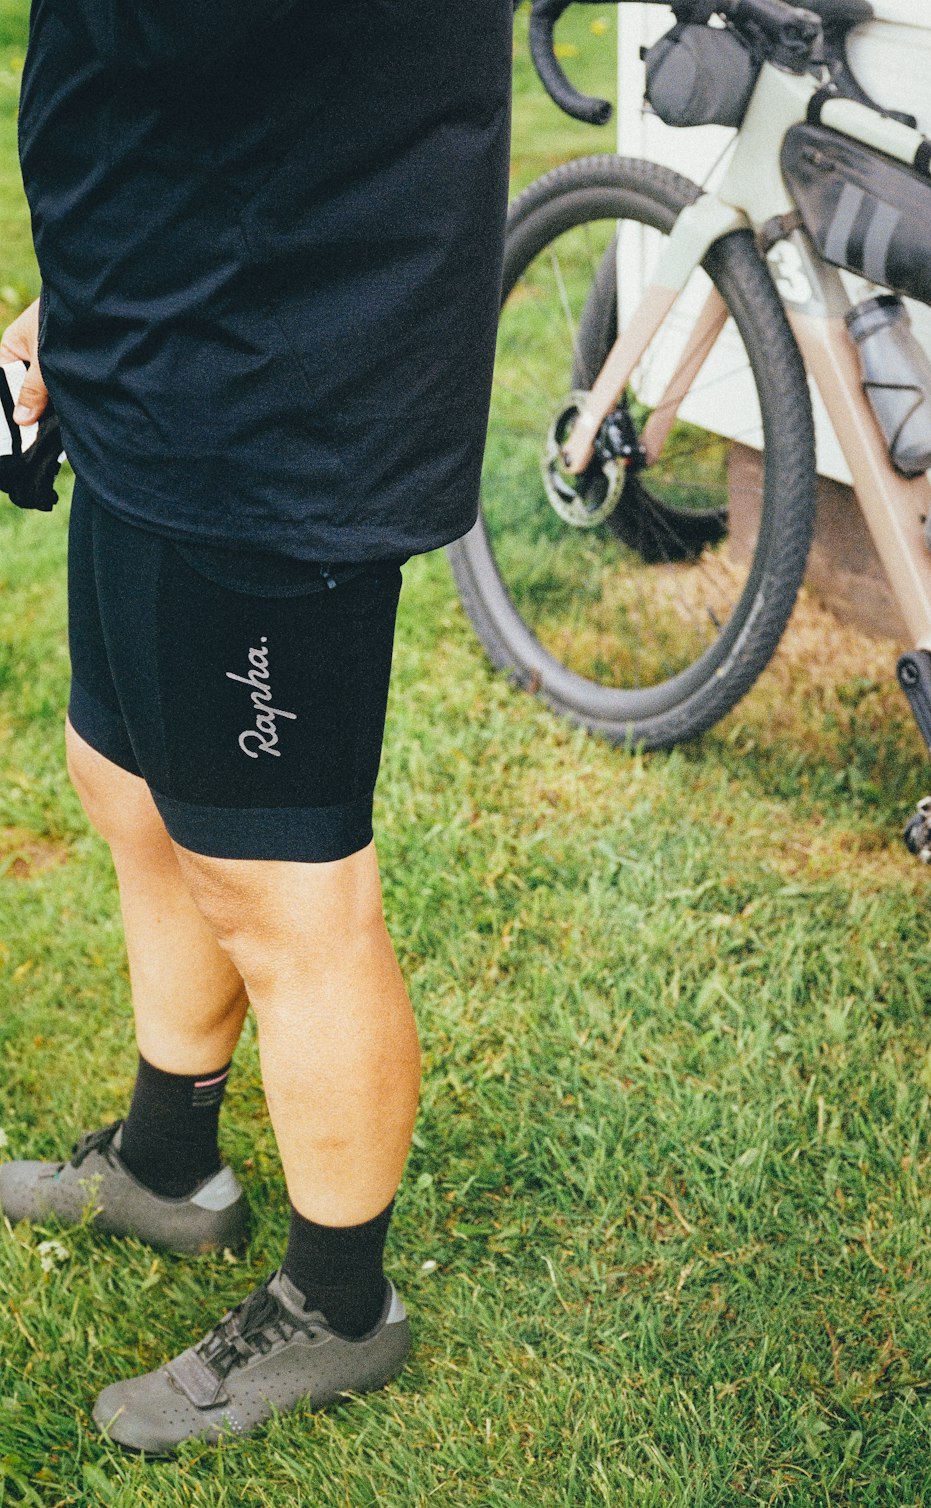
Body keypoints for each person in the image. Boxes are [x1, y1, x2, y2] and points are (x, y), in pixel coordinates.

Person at [0, 0, 511, 1455]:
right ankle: (170, 1165)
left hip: (282, 399)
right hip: (168, 351)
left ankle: (340, 1304)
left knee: (286, 890)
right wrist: (79, 302)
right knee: (128, 785)